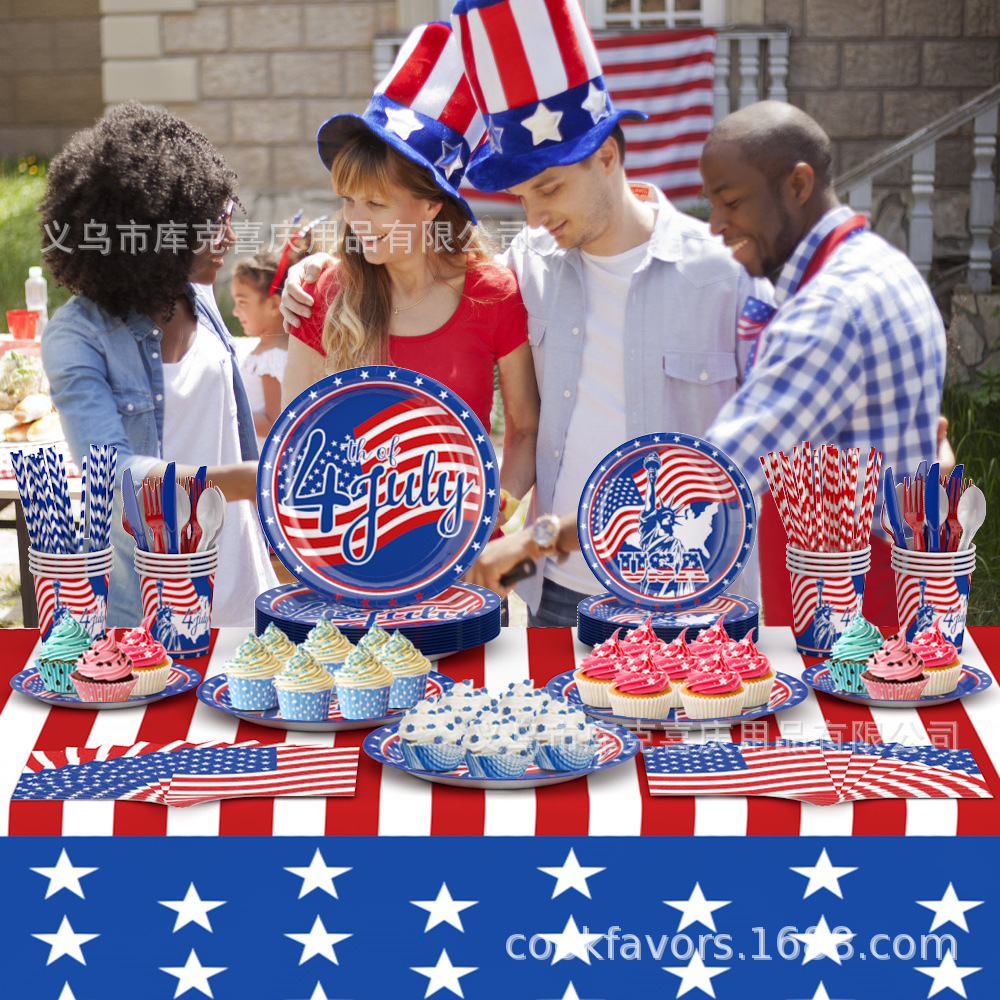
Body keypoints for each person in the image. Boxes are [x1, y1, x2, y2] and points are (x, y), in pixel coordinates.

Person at [282, 2, 771, 625]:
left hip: (695, 596)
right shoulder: (529, 262)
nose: (535, 216)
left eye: (550, 189)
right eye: (520, 196)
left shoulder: (726, 276)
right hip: (558, 591)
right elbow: (416, 269)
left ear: (608, 158)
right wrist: (314, 269)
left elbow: (785, 438)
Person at [698, 101, 947, 625]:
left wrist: (559, 533)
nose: (716, 225)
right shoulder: (885, 264)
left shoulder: (830, 310)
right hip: (902, 577)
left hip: (845, 607)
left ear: (798, 184)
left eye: (732, 202)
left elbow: (716, 474)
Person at [280, 22, 539, 515]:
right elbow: (297, 440)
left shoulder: (494, 293)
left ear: (431, 206)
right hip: (353, 553)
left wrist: (487, 521)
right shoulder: (321, 291)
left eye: (376, 203)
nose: (356, 221)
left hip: (461, 564)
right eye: (348, 201)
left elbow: (524, 428)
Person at [40, 102, 276, 627]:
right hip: (153, 615)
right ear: (158, 231)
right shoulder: (77, 338)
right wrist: (247, 481)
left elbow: (234, 422)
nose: (230, 239)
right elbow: (116, 479)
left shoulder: (197, 294)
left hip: (246, 593)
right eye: (216, 225)